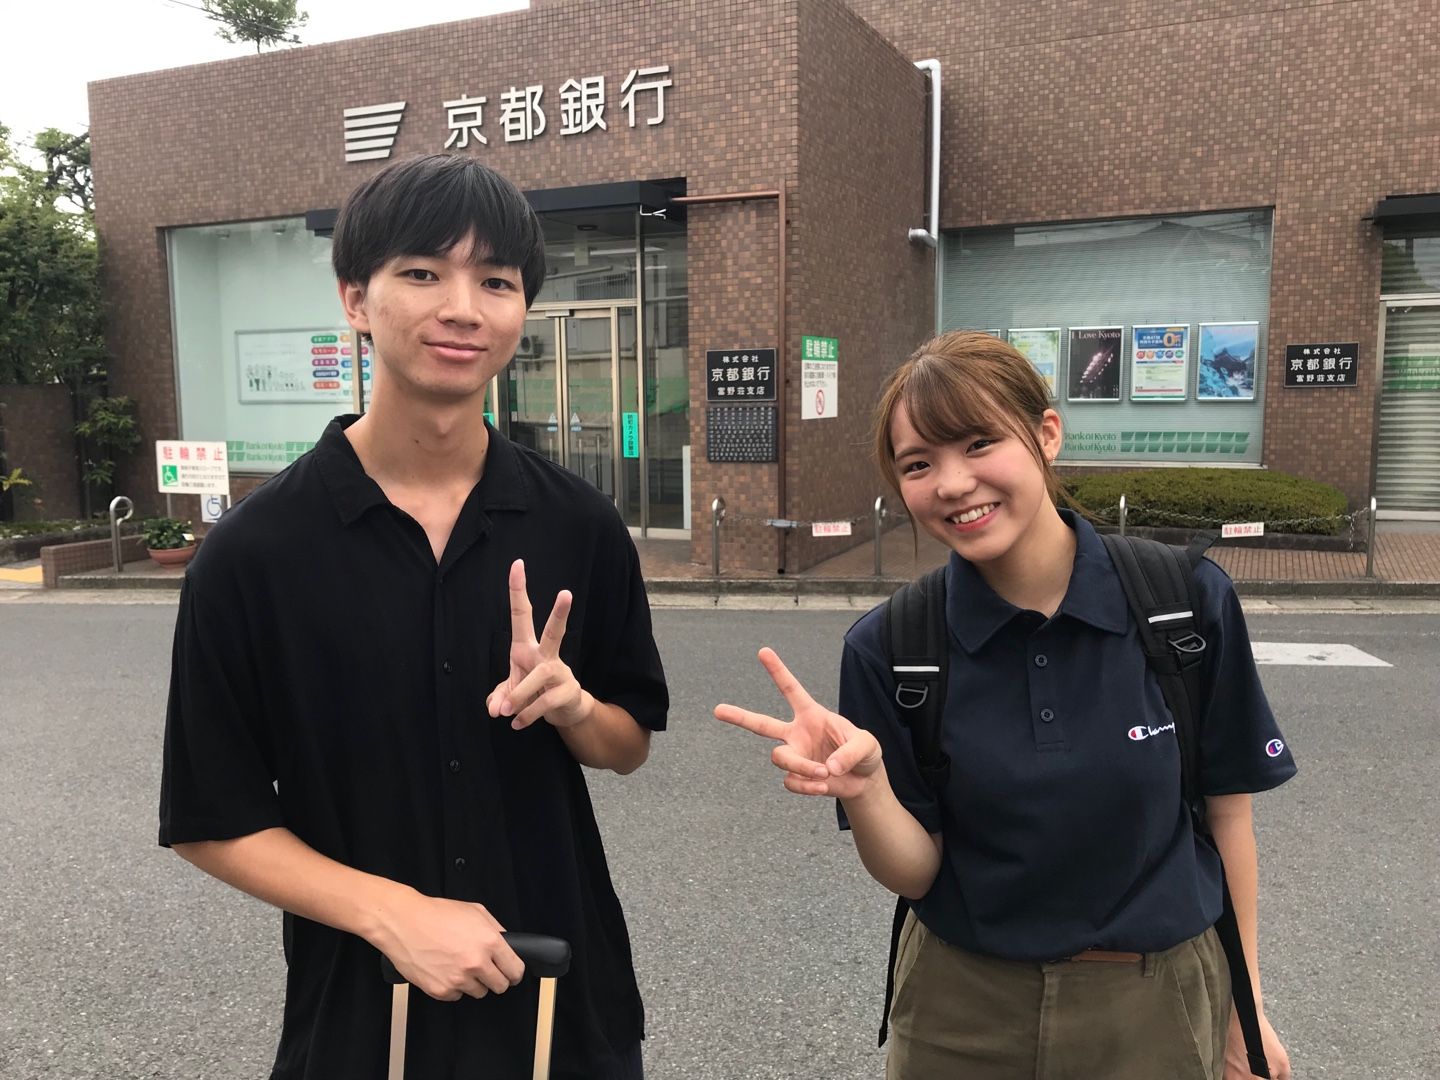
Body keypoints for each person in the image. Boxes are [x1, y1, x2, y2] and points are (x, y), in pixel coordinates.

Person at [159, 154, 667, 1080]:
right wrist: (396, 914)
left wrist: (575, 709)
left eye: (497, 281)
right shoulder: (256, 553)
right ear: (356, 298)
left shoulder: (579, 525)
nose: (464, 307)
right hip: (359, 1010)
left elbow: (628, 742)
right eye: (424, 273)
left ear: (523, 310)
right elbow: (210, 816)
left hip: (564, 1001)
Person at [715, 330, 1295, 1079]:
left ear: (1047, 433)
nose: (952, 483)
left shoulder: (1182, 605)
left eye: (980, 443)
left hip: (1156, 1004)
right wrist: (866, 792)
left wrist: (1245, 1008)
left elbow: (1228, 820)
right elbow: (916, 872)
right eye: (919, 464)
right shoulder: (891, 645)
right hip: (963, 1010)